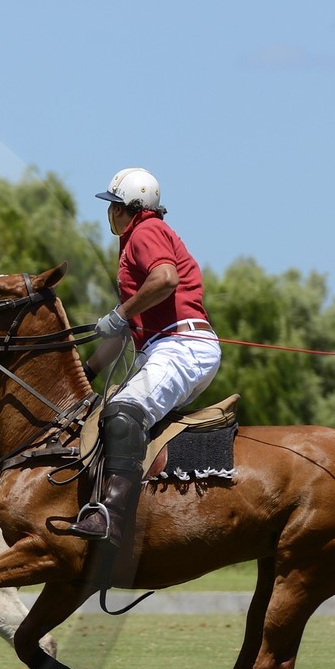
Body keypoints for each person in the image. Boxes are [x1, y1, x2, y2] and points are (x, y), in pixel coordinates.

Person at [70, 168, 221, 544]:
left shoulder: (145, 231)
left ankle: (111, 517)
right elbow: (125, 330)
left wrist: (119, 314)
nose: (111, 215)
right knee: (107, 411)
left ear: (131, 209)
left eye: (115, 207)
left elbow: (166, 278)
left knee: (122, 417)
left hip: (181, 347)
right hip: (168, 347)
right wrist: (87, 370)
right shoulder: (135, 241)